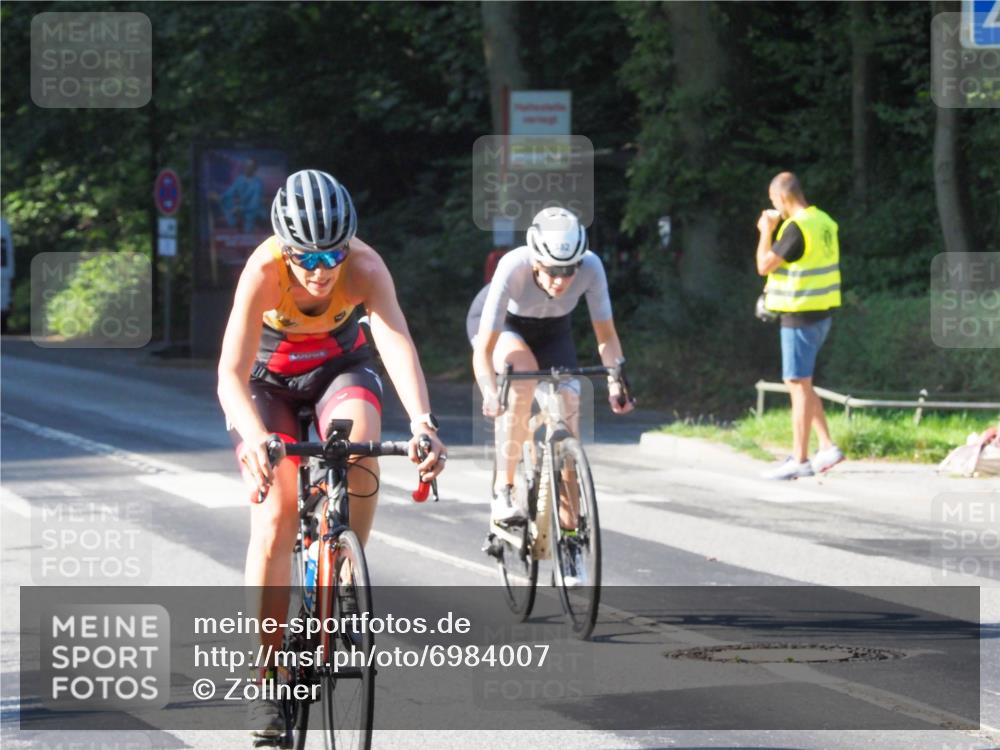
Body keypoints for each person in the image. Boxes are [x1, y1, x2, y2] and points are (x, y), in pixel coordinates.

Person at [217, 169, 446, 738]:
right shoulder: (263, 272)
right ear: (286, 250)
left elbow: (395, 342)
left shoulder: (365, 267)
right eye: (308, 260)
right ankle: (269, 675)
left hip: (339, 369)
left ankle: (343, 565)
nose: (321, 273)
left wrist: (422, 422)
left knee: (362, 442)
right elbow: (228, 374)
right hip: (267, 383)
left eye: (332, 257)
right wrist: (252, 438)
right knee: (277, 513)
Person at [471, 207, 634, 528]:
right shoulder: (512, 266)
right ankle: (503, 489)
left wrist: (617, 382)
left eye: (569, 270)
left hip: (553, 330)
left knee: (569, 405)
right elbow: (484, 352)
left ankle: (570, 529)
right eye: (551, 270)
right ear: (534, 261)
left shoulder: (591, 266)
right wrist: (490, 391)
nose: (560, 280)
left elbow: (606, 336)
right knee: (522, 375)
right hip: (504, 327)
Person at [755, 171, 845, 480]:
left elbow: (763, 264)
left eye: (772, 200)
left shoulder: (795, 228)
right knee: (803, 383)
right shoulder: (823, 221)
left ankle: (801, 459)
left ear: (781, 198)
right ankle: (827, 446)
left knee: (796, 384)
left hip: (799, 315)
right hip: (821, 313)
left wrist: (766, 230)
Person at [220, 158, 264, 232]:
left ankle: (248, 236)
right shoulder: (239, 180)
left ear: (254, 169)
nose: (247, 168)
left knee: (250, 217)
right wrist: (219, 196)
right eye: (246, 166)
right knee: (226, 204)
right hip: (238, 208)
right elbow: (230, 192)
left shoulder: (257, 184)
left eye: (250, 166)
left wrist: (240, 208)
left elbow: (255, 204)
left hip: (252, 210)